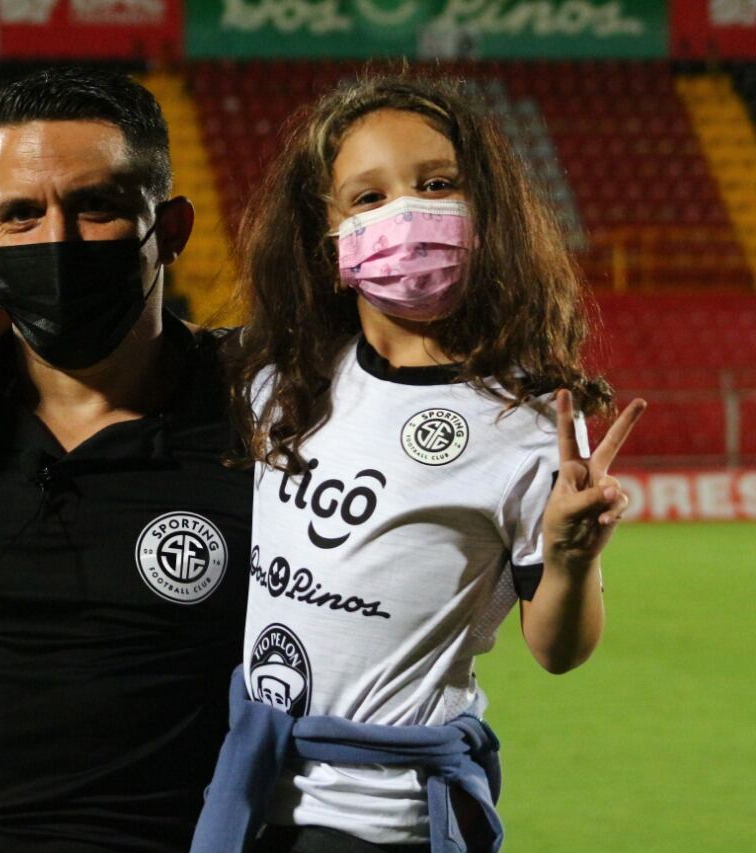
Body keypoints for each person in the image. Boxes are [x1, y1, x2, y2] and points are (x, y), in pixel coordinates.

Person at [190, 74, 646, 853]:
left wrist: (569, 558)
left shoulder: (526, 424)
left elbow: (558, 650)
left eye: (436, 184)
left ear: (484, 213)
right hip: (251, 790)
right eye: (366, 198)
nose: (404, 213)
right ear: (326, 238)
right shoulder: (281, 376)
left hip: (382, 821)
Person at [0, 67, 253, 853]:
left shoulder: (267, 427)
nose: (58, 240)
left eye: (97, 207)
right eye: (22, 215)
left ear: (172, 228)